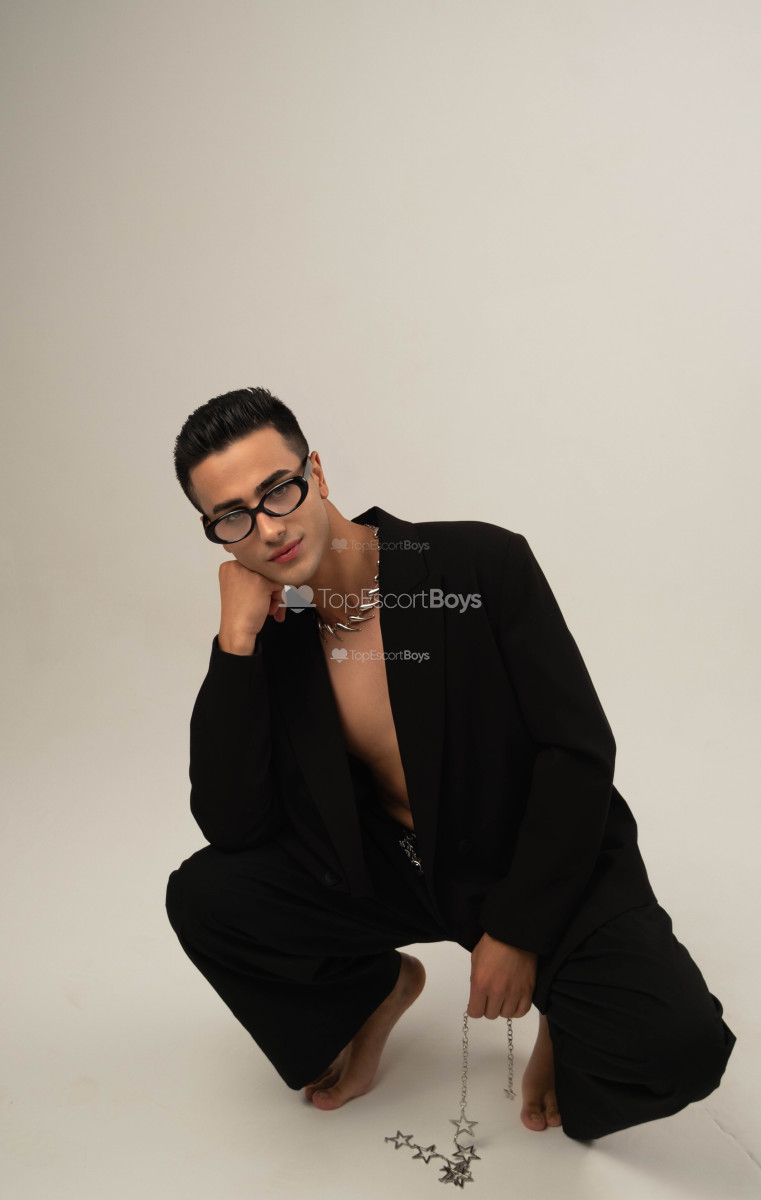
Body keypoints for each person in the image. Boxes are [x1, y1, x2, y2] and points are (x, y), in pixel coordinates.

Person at [165, 386, 736, 1141]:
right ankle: (372, 994)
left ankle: (561, 1014)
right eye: (233, 516)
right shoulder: (273, 633)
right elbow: (234, 825)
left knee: (680, 1050)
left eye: (278, 490)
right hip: (402, 868)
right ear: (215, 534)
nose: (267, 528)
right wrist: (235, 647)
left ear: (317, 472)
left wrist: (520, 929)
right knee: (206, 896)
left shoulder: (476, 563)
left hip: (533, 853)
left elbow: (576, 751)